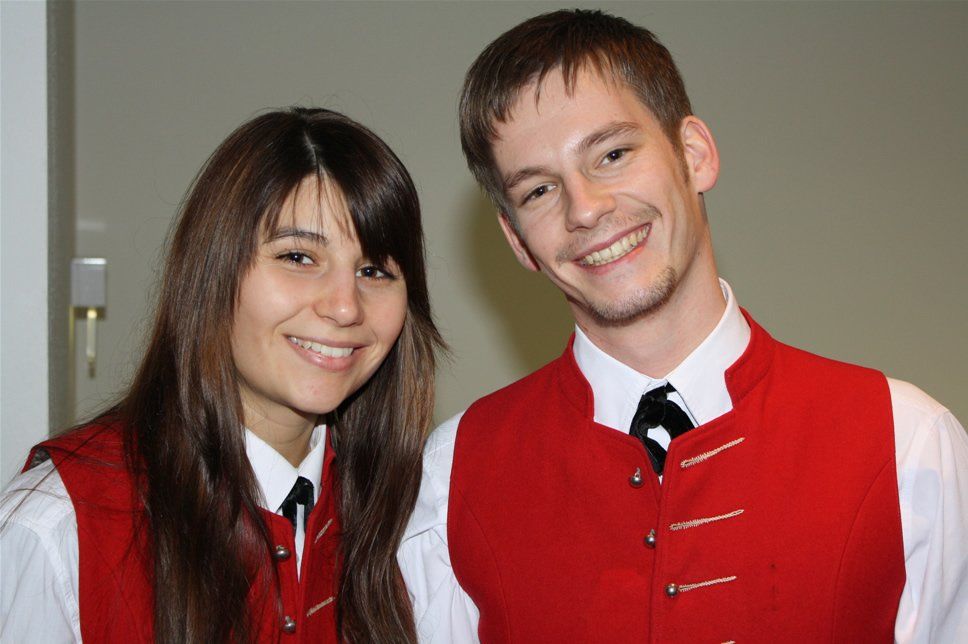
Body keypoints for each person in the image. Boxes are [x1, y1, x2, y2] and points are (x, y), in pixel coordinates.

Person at [398, 9, 968, 643]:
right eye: (538, 190)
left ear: (694, 156)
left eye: (613, 154)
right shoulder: (451, 475)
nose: (585, 208)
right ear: (517, 241)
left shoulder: (909, 443)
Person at [0, 107, 443, 643]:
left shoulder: (417, 524)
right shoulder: (61, 526)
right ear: (213, 271)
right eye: (298, 257)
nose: (345, 306)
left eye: (373, 270)